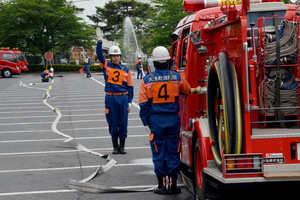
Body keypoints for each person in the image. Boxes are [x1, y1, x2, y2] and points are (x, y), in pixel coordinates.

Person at [139, 46, 191, 195]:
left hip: (156, 120)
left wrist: (146, 122)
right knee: (174, 151)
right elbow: (187, 90)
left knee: (158, 151)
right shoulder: (176, 77)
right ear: (168, 62)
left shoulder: (147, 80)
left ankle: (161, 186)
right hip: (173, 119)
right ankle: (173, 185)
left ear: (154, 63)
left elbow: (143, 105)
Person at [96, 29, 134, 154]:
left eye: (118, 55)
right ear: (110, 57)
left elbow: (130, 87)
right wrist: (99, 42)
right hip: (110, 98)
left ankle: (122, 146)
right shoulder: (106, 66)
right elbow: (99, 55)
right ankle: (115, 146)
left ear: (120, 57)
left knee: (123, 122)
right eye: (113, 56)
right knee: (112, 122)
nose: (116, 58)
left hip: (123, 98)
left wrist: (129, 102)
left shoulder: (126, 70)